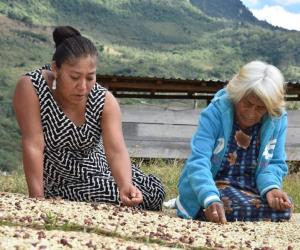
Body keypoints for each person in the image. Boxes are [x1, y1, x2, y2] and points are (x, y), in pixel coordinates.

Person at [13, 26, 165, 211]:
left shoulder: (104, 100)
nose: (82, 86)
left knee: (153, 192)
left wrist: (126, 185)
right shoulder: (31, 87)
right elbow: (33, 144)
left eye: (90, 78)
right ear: (56, 69)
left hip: (102, 168)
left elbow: (116, 150)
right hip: (62, 181)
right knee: (112, 196)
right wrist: (37, 200)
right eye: (75, 77)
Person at [176, 61, 293, 222]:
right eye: (247, 103)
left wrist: (271, 189)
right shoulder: (216, 112)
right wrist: (209, 198)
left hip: (251, 189)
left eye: (260, 108)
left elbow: (274, 162)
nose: (251, 113)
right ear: (237, 95)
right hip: (213, 185)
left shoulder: (276, 119)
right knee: (226, 208)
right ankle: (193, 205)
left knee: (283, 210)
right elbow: (199, 161)